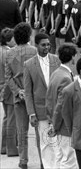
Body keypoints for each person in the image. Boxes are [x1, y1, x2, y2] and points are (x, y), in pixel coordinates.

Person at [23, 32, 60, 169]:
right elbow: (28, 92)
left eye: (48, 44)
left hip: (57, 109)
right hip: (40, 111)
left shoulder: (56, 60)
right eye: (43, 45)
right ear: (36, 45)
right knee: (45, 143)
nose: (47, 47)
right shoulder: (28, 64)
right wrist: (31, 113)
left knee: (58, 142)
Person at [4, 22, 37, 169]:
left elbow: (8, 77)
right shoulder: (35, 51)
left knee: (21, 131)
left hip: (19, 96)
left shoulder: (10, 53)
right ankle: (43, 160)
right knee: (39, 130)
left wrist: (18, 91)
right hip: (35, 96)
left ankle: (23, 160)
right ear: (29, 35)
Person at [47, 43, 78, 169]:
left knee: (59, 158)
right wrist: (55, 125)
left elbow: (49, 99)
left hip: (57, 123)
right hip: (64, 126)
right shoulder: (66, 77)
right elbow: (61, 105)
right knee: (69, 161)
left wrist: (52, 123)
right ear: (73, 57)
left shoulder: (56, 73)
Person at [0, 28, 18, 158]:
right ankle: (11, 147)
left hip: (2, 86)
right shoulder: (9, 53)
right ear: (9, 39)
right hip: (8, 87)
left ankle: (5, 146)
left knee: (7, 117)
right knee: (12, 118)